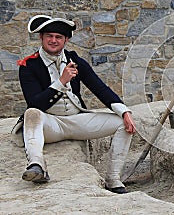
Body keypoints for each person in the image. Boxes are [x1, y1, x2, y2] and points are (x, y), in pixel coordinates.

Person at [15, 14, 136, 194]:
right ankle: (37, 165)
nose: (53, 40)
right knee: (31, 113)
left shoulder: (75, 61)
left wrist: (124, 111)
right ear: (41, 38)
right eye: (49, 36)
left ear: (66, 40)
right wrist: (61, 82)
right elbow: (35, 102)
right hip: (50, 124)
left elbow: (100, 88)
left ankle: (113, 178)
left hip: (76, 119)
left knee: (122, 124)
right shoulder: (29, 65)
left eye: (58, 37)